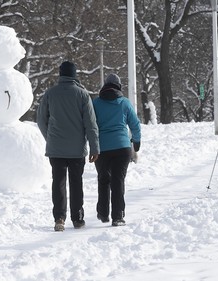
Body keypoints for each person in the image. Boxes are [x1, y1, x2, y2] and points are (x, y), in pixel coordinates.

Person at [37, 61, 100, 231]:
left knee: (58, 182)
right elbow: (91, 124)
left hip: (56, 148)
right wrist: (94, 147)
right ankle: (78, 218)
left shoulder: (50, 94)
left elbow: (41, 120)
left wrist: (50, 138)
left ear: (60, 74)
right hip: (77, 149)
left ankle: (59, 218)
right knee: (76, 182)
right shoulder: (82, 95)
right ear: (74, 75)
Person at [93, 73, 141, 227]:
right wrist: (137, 143)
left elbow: (90, 125)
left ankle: (103, 212)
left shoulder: (96, 104)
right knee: (118, 180)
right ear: (119, 86)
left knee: (103, 179)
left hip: (102, 148)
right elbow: (135, 124)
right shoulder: (125, 103)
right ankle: (118, 216)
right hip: (122, 148)